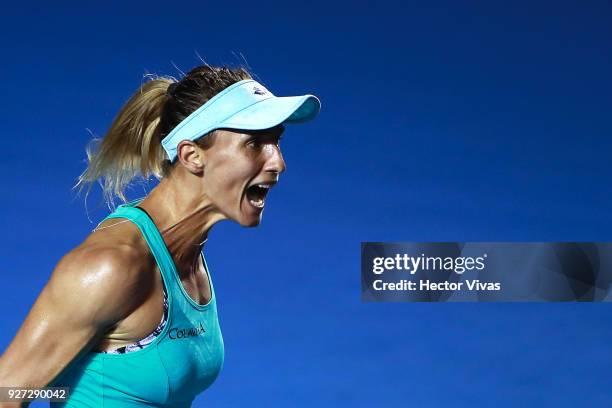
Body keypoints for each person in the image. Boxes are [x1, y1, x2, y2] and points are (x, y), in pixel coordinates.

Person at [0, 64, 320, 407]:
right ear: (191, 156)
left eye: (277, 141)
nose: (278, 163)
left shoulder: (186, 252)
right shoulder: (113, 267)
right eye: (254, 143)